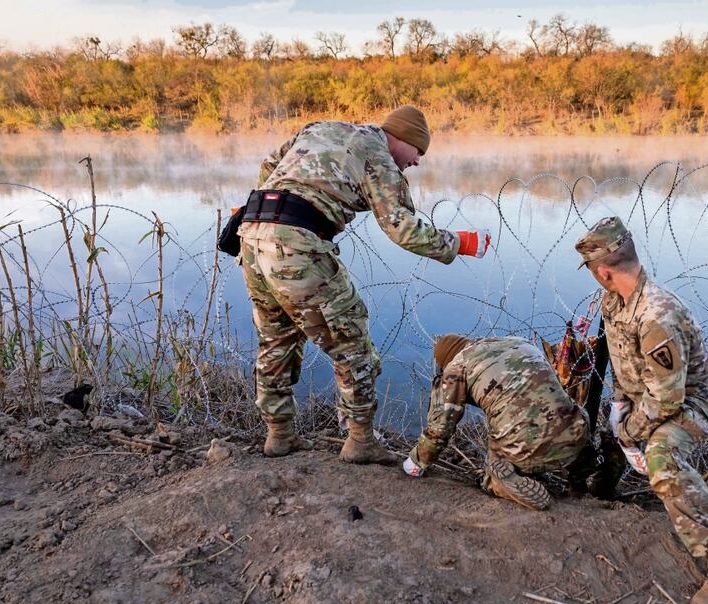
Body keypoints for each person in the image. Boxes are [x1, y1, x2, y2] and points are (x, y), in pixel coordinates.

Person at [237, 106, 490, 461]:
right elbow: (402, 227)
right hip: (296, 244)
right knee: (351, 340)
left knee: (275, 339)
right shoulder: (377, 154)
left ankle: (279, 435)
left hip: (251, 237)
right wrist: (461, 243)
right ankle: (360, 442)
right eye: (418, 151)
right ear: (401, 138)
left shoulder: (322, 128)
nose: (416, 162)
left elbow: (269, 164)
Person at [574, 216, 708, 604]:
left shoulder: (656, 317)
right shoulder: (615, 299)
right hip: (653, 393)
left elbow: (667, 402)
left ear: (603, 271)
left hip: (694, 399)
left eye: (592, 273)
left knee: (661, 456)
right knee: (622, 426)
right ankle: (607, 485)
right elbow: (625, 364)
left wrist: (630, 430)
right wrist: (619, 405)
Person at [402, 335, 597, 510]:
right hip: (577, 433)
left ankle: (501, 483)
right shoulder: (516, 342)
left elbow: (441, 427)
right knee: (561, 423)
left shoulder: (457, 366)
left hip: (528, 446)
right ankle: (580, 481)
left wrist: (418, 461)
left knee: (491, 474)